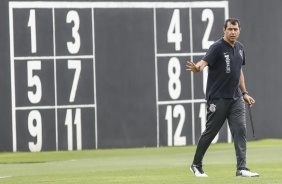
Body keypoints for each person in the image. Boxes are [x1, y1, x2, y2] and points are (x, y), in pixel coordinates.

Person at [186, 18, 259, 177]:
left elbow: (238, 70)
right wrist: (198, 68)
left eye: (235, 29)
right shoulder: (217, 47)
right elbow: (204, 62)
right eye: (230, 29)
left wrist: (245, 93)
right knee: (210, 133)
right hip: (218, 98)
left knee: (240, 130)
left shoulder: (240, 48)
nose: (233, 32)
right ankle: (196, 165)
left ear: (240, 30)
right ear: (224, 30)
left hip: (236, 99)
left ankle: (242, 168)